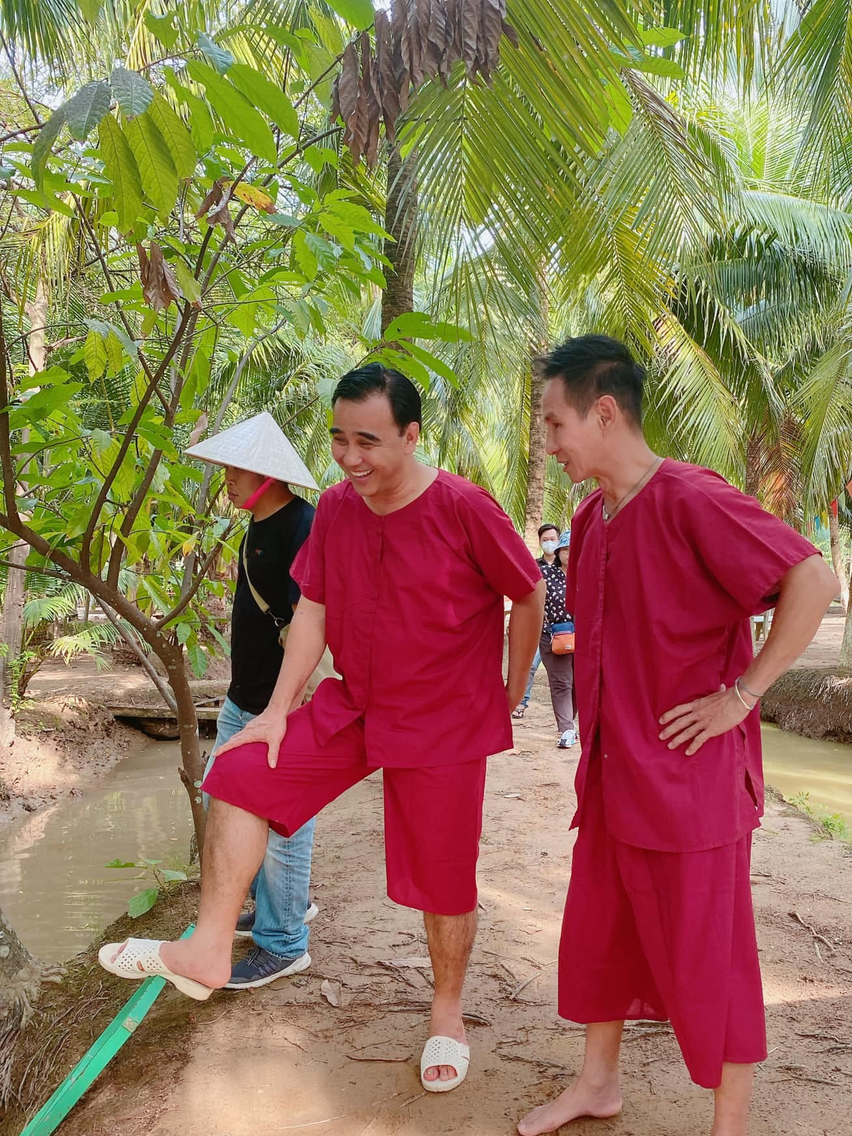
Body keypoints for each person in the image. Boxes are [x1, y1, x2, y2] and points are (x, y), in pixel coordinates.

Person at [101, 366, 544, 1093]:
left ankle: (446, 1010)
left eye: (367, 440)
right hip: (355, 701)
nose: (349, 455)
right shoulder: (337, 509)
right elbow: (314, 608)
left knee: (443, 878)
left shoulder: (465, 506)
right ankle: (209, 951)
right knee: (240, 772)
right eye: (338, 438)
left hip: (443, 721)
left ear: (411, 433)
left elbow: (525, 594)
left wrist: (511, 691)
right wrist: (279, 708)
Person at [516, 336, 839, 1136]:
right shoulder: (590, 519)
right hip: (615, 777)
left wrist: (743, 696)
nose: (549, 440)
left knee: (712, 962)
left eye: (555, 421)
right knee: (599, 936)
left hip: (693, 786)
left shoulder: (693, 497)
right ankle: (599, 1080)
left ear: (603, 412)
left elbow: (812, 577)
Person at [185, 412, 323, 989]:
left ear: (268, 475)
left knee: (285, 822)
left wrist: (286, 706)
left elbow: (311, 623)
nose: (228, 480)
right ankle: (277, 911)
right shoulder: (257, 526)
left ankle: (284, 941)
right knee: (241, 805)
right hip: (247, 698)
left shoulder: (301, 527)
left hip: (278, 706)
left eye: (237, 470)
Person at [513, 524, 577, 748]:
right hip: (554, 636)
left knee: (578, 683)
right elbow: (532, 604)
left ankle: (570, 720)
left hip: (586, 638)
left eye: (574, 548)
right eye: (566, 549)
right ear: (559, 552)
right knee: (561, 683)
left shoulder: (588, 574)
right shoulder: (545, 573)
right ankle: (566, 728)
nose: (570, 553)